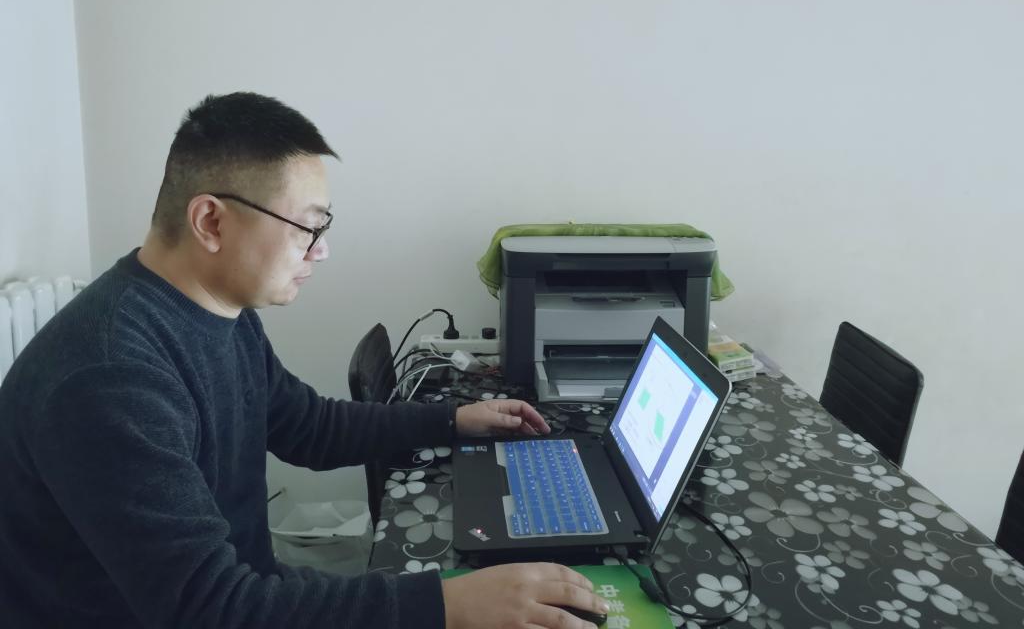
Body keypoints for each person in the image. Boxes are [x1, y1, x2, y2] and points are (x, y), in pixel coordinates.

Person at [0, 93, 610, 628]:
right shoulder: (112, 378)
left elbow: (307, 427)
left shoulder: (219, 312)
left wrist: (451, 420)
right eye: (306, 227)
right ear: (211, 220)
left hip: (236, 595)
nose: (320, 251)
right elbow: (210, 609)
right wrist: (447, 605)